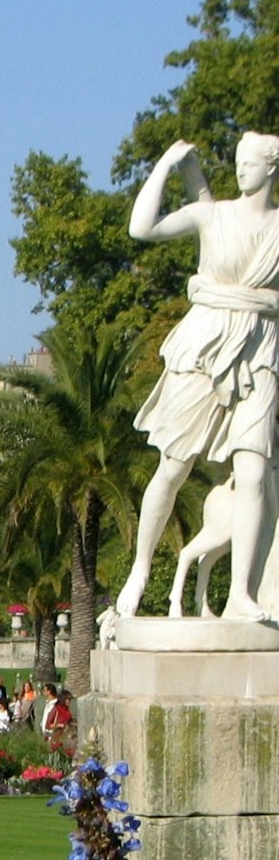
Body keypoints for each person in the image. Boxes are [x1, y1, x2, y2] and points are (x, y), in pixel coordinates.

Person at [118, 132, 279, 622]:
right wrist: (165, 163)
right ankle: (141, 570)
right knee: (173, 465)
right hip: (204, 348)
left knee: (252, 472)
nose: (240, 170)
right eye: (236, 162)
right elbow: (141, 228)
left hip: (260, 354)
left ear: (271, 168)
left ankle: (242, 596)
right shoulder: (213, 214)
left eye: (249, 163)